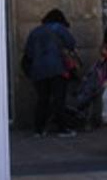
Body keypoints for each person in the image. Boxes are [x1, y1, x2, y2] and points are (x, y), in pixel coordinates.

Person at [22, 8, 78, 138]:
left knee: (42, 100)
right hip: (57, 69)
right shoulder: (59, 28)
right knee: (59, 100)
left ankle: (39, 130)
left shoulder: (35, 31)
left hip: (38, 71)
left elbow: (29, 53)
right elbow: (71, 43)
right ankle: (62, 128)